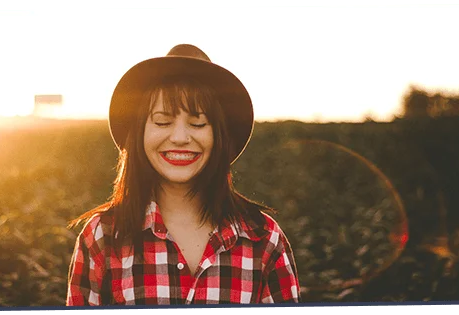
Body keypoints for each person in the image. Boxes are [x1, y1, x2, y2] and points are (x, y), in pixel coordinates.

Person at [66, 44, 300, 305]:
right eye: (162, 121)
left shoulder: (263, 238)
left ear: (219, 135)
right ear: (140, 132)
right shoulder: (103, 237)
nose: (179, 138)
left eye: (198, 123)